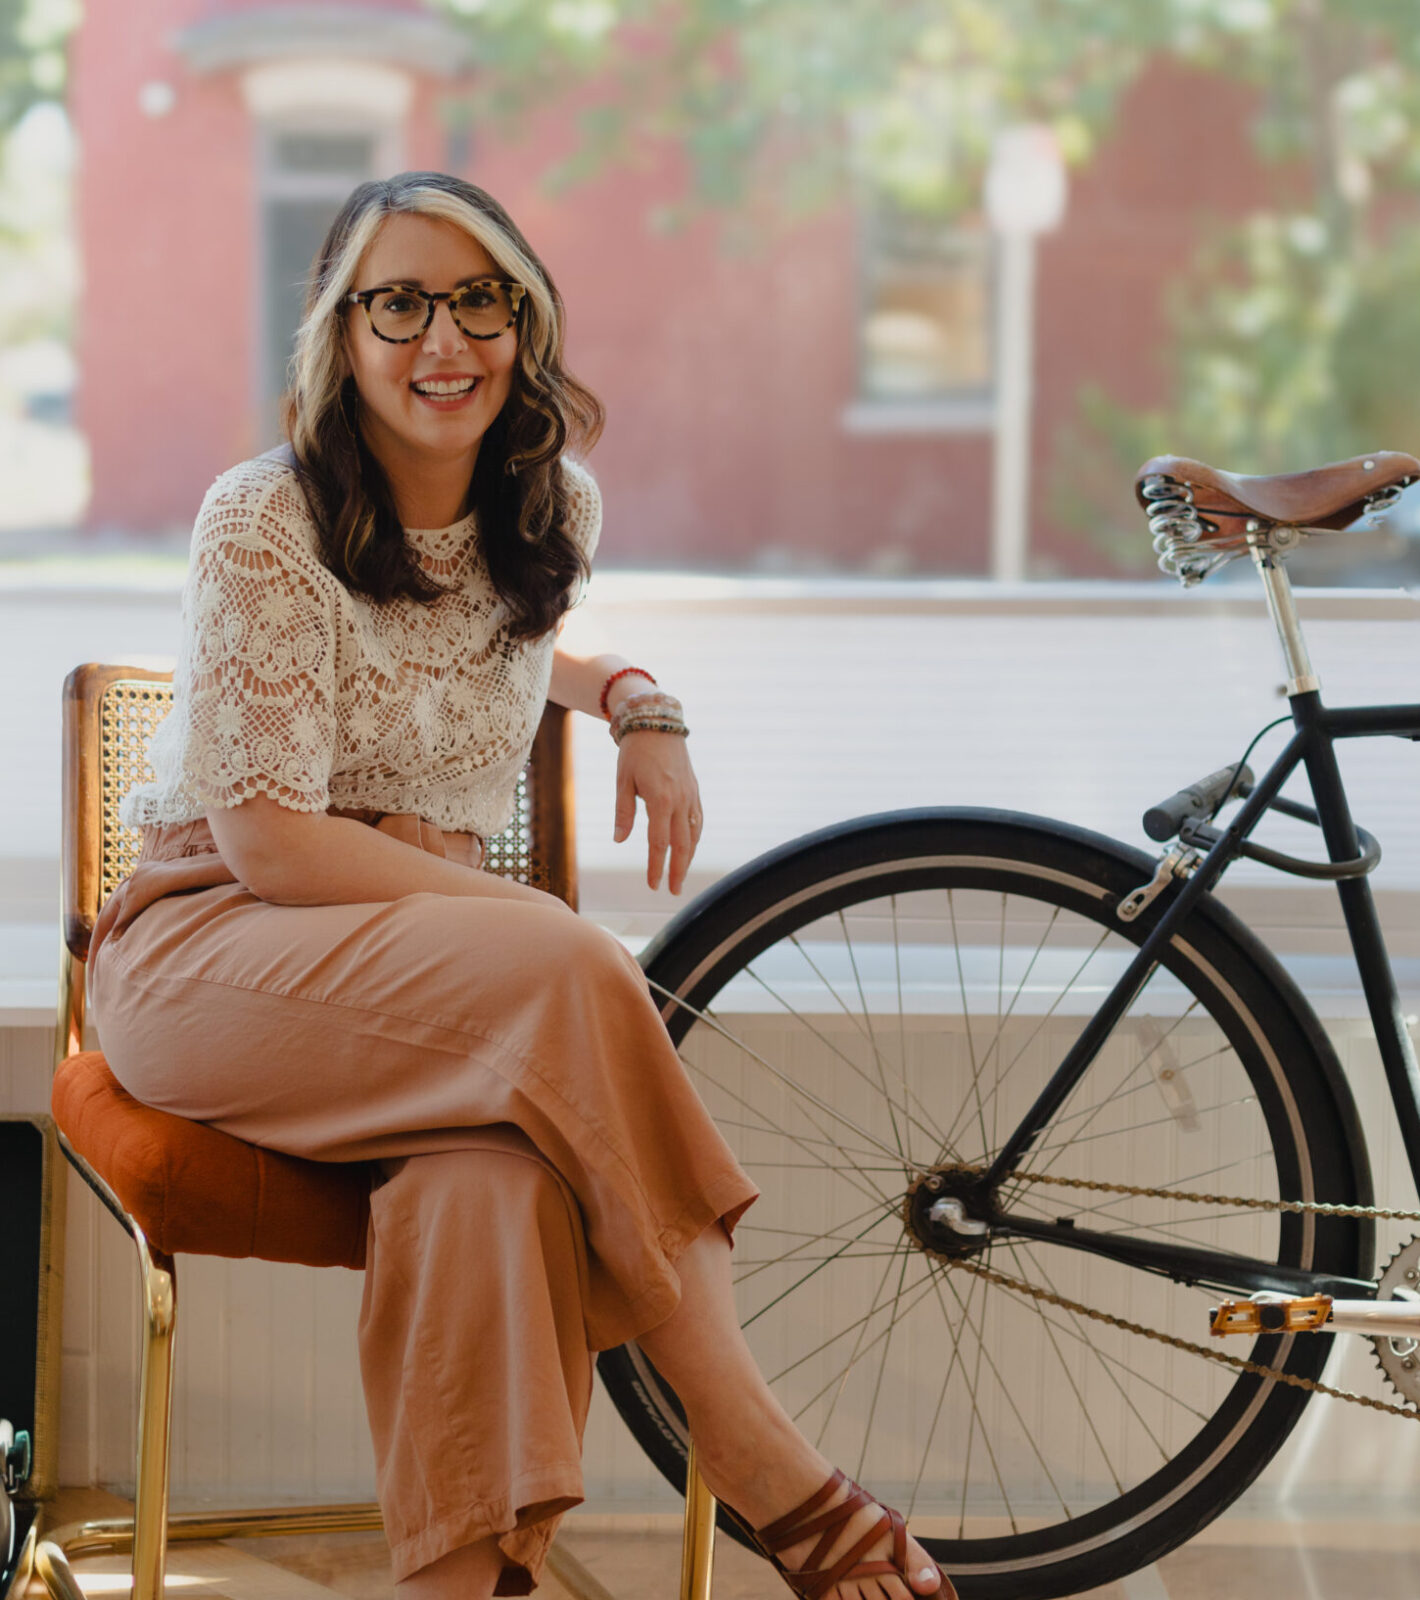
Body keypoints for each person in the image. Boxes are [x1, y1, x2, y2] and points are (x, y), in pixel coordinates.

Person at [85, 171, 951, 1600]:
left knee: (488, 1184)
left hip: (416, 979)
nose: (445, 339)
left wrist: (637, 697)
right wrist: (532, 922)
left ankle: (463, 1583)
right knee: (571, 965)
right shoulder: (261, 519)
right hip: (216, 948)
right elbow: (276, 847)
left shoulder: (551, 511)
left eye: (479, 298)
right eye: (400, 302)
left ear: (525, 320)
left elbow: (482, 653)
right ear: (340, 338)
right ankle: (773, 1474)